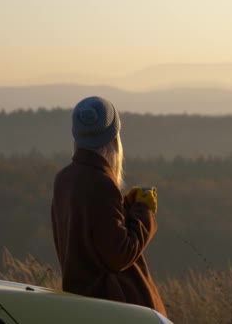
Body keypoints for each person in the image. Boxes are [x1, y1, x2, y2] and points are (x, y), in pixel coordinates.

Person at [51, 96, 167, 317]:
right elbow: (119, 255)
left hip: (82, 306)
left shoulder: (63, 180)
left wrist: (126, 207)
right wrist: (144, 211)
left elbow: (89, 239)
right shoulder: (102, 184)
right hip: (116, 308)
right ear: (114, 138)